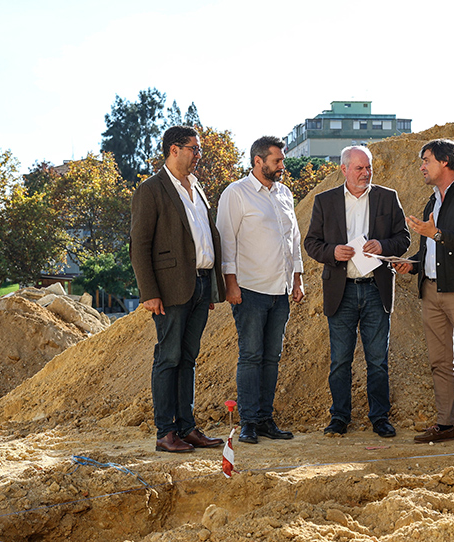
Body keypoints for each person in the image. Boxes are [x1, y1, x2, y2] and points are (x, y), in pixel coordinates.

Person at [130, 125, 226, 453]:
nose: (198, 154)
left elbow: (203, 236)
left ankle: (187, 427)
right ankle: (164, 432)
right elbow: (139, 245)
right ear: (174, 149)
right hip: (170, 289)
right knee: (168, 357)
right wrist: (149, 292)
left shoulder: (197, 188)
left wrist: (210, 287)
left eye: (198, 150)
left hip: (200, 286)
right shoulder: (151, 189)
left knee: (188, 358)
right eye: (193, 149)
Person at [304, 145, 410, 438]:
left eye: (368, 168)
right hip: (342, 291)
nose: (365, 173)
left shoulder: (387, 198)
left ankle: (379, 418)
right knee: (340, 360)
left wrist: (383, 246)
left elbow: (403, 238)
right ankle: (339, 417)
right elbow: (311, 243)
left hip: (376, 289)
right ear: (344, 170)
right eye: (359, 168)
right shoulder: (325, 201)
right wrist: (331, 251)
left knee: (377, 359)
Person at [395, 138, 454, 447]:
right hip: (432, 291)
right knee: (440, 362)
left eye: (426, 160)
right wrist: (410, 264)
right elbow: (430, 249)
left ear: (446, 161)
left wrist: (433, 232)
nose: (422, 167)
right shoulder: (432, 202)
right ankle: (445, 424)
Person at [216, 136, 304, 444]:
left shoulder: (284, 194)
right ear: (258, 161)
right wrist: (230, 283)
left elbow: (293, 239)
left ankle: (266, 419)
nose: (282, 166)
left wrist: (297, 278)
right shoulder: (236, 194)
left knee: (272, 357)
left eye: (282, 160)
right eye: (277, 161)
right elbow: (226, 241)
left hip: (280, 290)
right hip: (250, 290)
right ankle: (248, 422)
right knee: (251, 355)